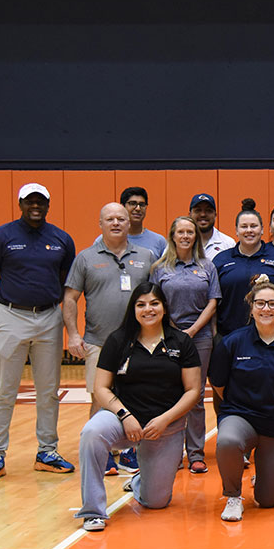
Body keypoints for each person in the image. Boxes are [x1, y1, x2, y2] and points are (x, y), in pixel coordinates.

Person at [75, 283, 202, 531]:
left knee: (156, 502)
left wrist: (165, 419)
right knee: (91, 432)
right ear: (133, 309)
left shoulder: (181, 342)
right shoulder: (118, 340)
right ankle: (92, 511)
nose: (148, 309)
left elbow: (193, 391)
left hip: (164, 425)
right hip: (124, 419)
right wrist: (124, 415)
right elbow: (101, 388)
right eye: (141, 304)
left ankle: (139, 480)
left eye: (154, 303)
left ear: (164, 307)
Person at [0, 183, 77, 482]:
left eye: (41, 201)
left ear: (48, 205)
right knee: (4, 391)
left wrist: (46, 306)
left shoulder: (61, 239)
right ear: (20, 203)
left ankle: (47, 451)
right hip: (10, 315)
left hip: (49, 318)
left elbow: (64, 282)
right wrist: (6, 312)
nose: (36, 206)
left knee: (48, 391)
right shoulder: (0, 237)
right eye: (30, 201)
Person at [210, 278, 274, 521]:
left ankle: (264, 473)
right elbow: (218, 383)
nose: (266, 309)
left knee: (268, 501)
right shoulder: (233, 342)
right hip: (241, 415)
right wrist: (239, 404)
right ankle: (233, 496)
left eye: (272, 304)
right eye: (260, 303)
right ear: (252, 307)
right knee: (227, 440)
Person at [64, 202, 156, 474]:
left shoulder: (146, 255)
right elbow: (70, 298)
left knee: (135, 395)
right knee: (99, 397)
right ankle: (101, 452)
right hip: (98, 341)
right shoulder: (86, 258)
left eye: (121, 219)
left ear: (129, 224)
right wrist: (73, 334)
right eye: (110, 219)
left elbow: (156, 296)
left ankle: (129, 450)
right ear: (100, 224)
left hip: (138, 342)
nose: (116, 223)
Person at [149, 216, 221, 474]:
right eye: (181, 232)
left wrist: (192, 330)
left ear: (195, 236)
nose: (186, 236)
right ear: (173, 235)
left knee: (196, 396)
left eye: (190, 232)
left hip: (199, 339)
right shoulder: (160, 268)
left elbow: (213, 302)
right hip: (168, 337)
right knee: (169, 394)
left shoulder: (207, 266)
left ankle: (196, 454)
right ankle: (171, 452)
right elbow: (154, 302)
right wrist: (173, 330)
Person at [213, 199, 274, 336]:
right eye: (244, 226)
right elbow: (213, 301)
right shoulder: (221, 260)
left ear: (262, 229)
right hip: (229, 335)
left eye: (253, 226)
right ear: (236, 230)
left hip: (272, 335)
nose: (249, 230)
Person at [94, 187, 167, 258]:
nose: (138, 208)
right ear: (122, 207)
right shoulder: (104, 239)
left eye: (142, 205)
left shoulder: (159, 241)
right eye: (132, 203)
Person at [190, 193, 236, 261]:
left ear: (215, 215)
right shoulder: (182, 242)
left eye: (208, 211)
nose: (203, 214)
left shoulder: (228, 244)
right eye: (198, 210)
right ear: (190, 214)